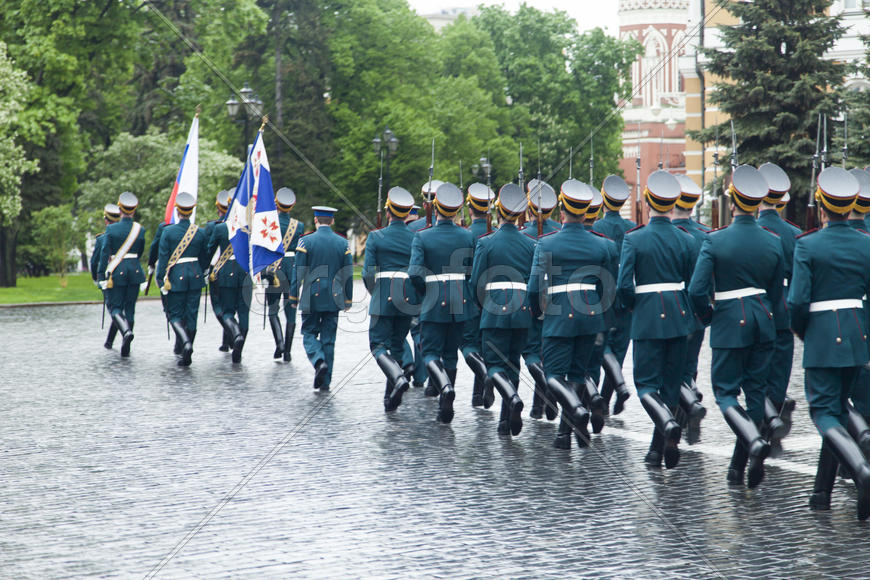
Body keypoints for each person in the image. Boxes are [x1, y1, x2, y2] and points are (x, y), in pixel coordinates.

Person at [689, 165, 784, 488]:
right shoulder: (772, 241)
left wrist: (708, 317)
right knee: (756, 393)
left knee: (726, 393)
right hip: (763, 319)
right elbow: (776, 293)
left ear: (732, 203)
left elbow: (696, 290)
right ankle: (736, 468)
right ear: (757, 204)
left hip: (731, 319)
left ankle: (755, 444)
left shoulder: (715, 241)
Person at [789, 166, 870, 519]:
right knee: (838, 408)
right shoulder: (866, 244)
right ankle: (821, 493)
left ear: (822, 206)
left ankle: (862, 470)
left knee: (823, 411)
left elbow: (796, 301)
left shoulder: (808, 244)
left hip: (823, 334)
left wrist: (803, 330)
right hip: (857, 334)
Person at [617, 170, 696, 469]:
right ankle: (657, 449)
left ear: (648, 201)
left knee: (647, 386)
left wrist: (632, 307)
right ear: (674, 203)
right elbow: (693, 283)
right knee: (671, 387)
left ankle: (666, 426)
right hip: (678, 316)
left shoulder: (634, 239)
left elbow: (625, 285)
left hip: (648, 317)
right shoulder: (686, 240)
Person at [529, 179, 614, 449]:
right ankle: (564, 435)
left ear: (562, 209)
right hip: (590, 315)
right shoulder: (602, 245)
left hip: (559, 314)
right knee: (578, 374)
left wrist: (537, 312)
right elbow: (607, 288)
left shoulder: (546, 243)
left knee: (553, 375)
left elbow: (534, 287)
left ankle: (577, 410)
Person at [470, 183, 534, 436]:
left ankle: (513, 399)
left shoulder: (486, 243)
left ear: (497, 212)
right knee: (513, 365)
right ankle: (505, 421)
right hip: (522, 308)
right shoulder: (531, 244)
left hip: (494, 307)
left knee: (495, 364)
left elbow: (476, 282)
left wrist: (482, 305)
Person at [409, 182, 475, 423]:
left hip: (434, 299)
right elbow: (472, 272)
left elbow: (415, 273)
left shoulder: (422, 236)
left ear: (435, 208)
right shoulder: (467, 236)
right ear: (456, 211)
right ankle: (444, 406)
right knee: (450, 355)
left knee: (429, 352)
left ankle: (445, 389)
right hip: (460, 299)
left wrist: (427, 292)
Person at [756, 163, 802, 442]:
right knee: (779, 373)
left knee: (754, 369)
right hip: (783, 309)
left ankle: (762, 420)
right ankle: (772, 413)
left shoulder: (753, 230)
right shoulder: (794, 233)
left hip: (755, 308)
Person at [363, 186, 416, 412]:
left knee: (377, 345)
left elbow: (367, 273)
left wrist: (376, 293)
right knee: (396, 346)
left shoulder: (376, 236)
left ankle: (398, 378)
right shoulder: (415, 237)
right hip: (407, 297)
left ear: (388, 211)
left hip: (383, 294)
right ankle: (390, 398)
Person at [290, 206, 353, 391]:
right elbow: (348, 273)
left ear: (316, 220)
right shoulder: (343, 244)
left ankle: (319, 362)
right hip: (334, 296)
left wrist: (294, 295)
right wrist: (348, 299)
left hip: (311, 295)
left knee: (308, 332)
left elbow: (298, 272)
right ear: (332, 221)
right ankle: (325, 382)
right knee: (329, 339)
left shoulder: (305, 242)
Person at [593, 175, 636, 415]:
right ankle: (608, 400)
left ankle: (609, 394)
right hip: (626, 300)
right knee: (619, 350)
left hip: (603, 298)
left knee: (601, 348)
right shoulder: (632, 228)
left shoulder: (597, 228)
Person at [671, 174, 710, 432]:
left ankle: (687, 406)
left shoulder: (670, 234)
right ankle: (690, 396)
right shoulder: (707, 235)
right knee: (690, 363)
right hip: (699, 310)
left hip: (672, 310)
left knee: (671, 367)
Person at [521, 180, 561, 421]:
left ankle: (542, 402)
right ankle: (544, 405)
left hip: (534, 297)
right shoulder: (559, 231)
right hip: (558, 299)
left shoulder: (523, 234)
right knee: (549, 353)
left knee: (533, 351)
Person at [581, 184, 618, 432]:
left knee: (570, 368)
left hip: (565, 314)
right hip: (599, 313)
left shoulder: (550, 242)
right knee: (592, 364)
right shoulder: (605, 244)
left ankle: (583, 407)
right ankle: (595, 398)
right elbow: (611, 284)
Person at [157, 192, 209, 366]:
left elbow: (163, 259)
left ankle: (185, 344)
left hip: (175, 277)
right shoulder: (200, 233)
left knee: (175, 314)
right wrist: (200, 272)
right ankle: (188, 347)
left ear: (177, 210)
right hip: (195, 275)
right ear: (191, 211)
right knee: (192, 314)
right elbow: (204, 257)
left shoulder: (168, 231)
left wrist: (160, 280)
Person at [97, 192, 145, 358]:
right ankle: (127, 342)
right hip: (135, 270)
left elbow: (104, 254)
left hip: (117, 272)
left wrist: (101, 275)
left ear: (120, 209)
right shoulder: (140, 229)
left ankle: (125, 332)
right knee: (130, 309)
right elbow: (140, 251)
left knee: (115, 307)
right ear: (133, 210)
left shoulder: (111, 228)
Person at [405, 182, 443, 391]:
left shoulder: (411, 228)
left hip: (418, 287)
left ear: (423, 202)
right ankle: (433, 375)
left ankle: (421, 375)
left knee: (418, 330)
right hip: (443, 289)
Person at [206, 189, 249, 364]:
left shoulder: (219, 228)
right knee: (244, 314)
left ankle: (236, 336)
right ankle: (238, 349)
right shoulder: (251, 227)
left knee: (227, 312)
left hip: (224, 272)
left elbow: (209, 250)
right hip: (244, 273)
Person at [462, 182, 495, 408]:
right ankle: (479, 394)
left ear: (470, 208)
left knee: (468, 344)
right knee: (485, 346)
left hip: (470, 296)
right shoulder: (495, 233)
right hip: (494, 298)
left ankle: (484, 380)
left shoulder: (464, 235)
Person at [264, 187, 305, 362]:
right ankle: (287, 351)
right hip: (293, 267)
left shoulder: (269, 222)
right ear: (292, 205)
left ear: (276, 204)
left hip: (275, 268)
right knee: (291, 312)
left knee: (273, 310)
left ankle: (279, 344)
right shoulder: (299, 225)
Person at [204, 190, 232, 352]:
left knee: (219, 307)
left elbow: (207, 250)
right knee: (229, 306)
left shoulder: (212, 226)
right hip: (236, 269)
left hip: (217, 269)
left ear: (218, 208)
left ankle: (232, 336)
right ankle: (226, 341)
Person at [91, 203, 121, 349]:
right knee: (120, 309)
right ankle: (109, 342)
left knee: (114, 309)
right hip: (124, 276)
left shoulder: (101, 239)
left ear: (106, 220)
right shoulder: (126, 236)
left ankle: (122, 333)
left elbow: (94, 261)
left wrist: (95, 278)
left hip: (108, 278)